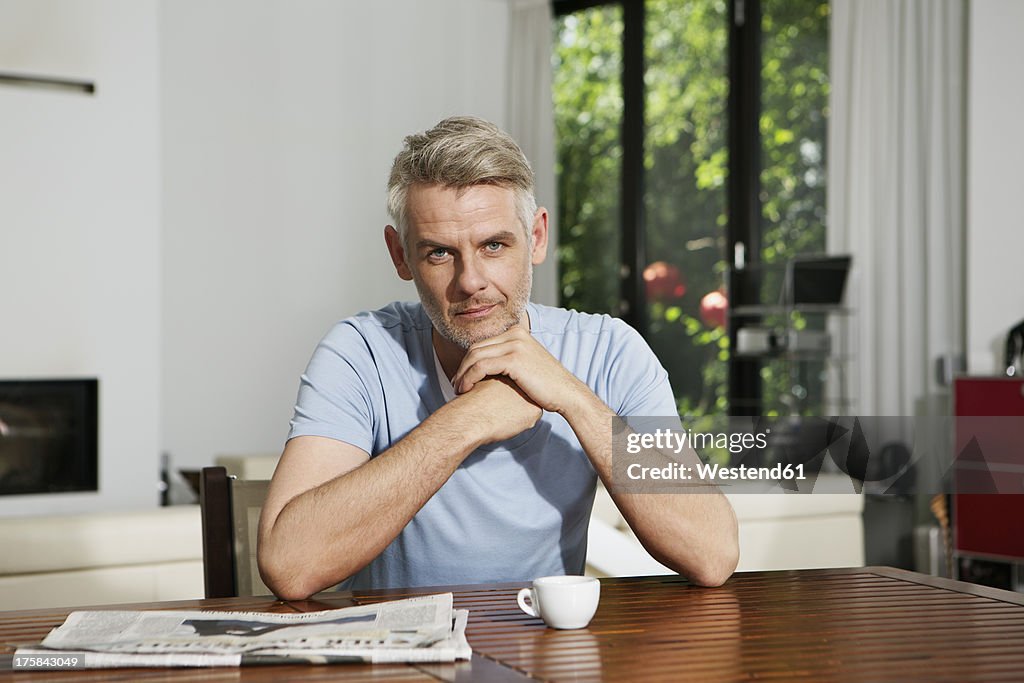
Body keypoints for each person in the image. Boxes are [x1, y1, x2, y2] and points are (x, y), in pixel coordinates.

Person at [257, 116, 738, 599]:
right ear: (400, 255)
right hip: (403, 663)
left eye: (493, 245)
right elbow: (289, 566)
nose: (471, 281)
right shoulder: (360, 351)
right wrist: (468, 420)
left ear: (536, 236)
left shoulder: (610, 351)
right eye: (440, 253)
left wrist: (572, 398)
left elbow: (711, 554)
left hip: (550, 658)